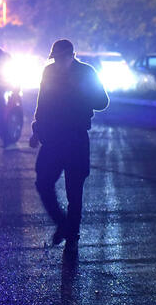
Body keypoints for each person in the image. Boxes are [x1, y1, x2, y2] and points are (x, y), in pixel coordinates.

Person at [29, 39, 109, 251]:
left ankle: (72, 233)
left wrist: (81, 92)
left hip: (76, 138)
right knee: (43, 182)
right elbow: (42, 104)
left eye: (61, 58)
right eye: (55, 59)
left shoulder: (86, 73)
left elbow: (102, 101)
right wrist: (36, 130)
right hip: (53, 139)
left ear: (71, 56)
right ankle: (63, 223)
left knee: (74, 191)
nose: (57, 62)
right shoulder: (49, 72)